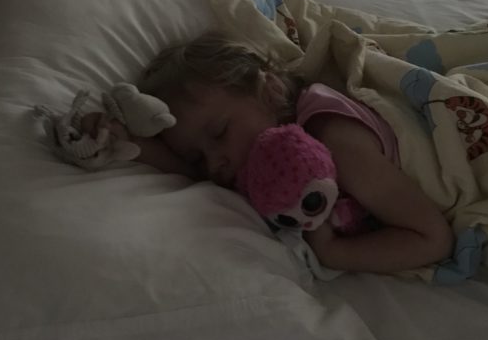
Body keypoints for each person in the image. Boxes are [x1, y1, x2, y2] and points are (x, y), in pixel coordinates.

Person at [83, 31, 453, 275]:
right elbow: (189, 171)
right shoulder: (249, 157)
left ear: (270, 91)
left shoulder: (338, 142)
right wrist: (126, 143)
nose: (215, 164)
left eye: (219, 133)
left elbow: (431, 239)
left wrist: (334, 253)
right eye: (199, 157)